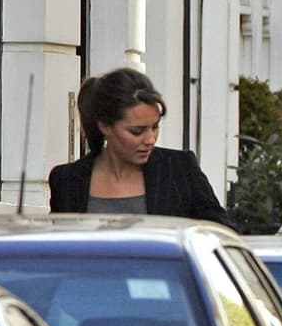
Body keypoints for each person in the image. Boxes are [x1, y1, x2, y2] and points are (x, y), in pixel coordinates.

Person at [49, 67, 231, 227]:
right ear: (105, 126)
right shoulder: (66, 180)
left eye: (155, 127)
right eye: (137, 131)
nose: (150, 139)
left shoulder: (180, 169)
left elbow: (221, 234)